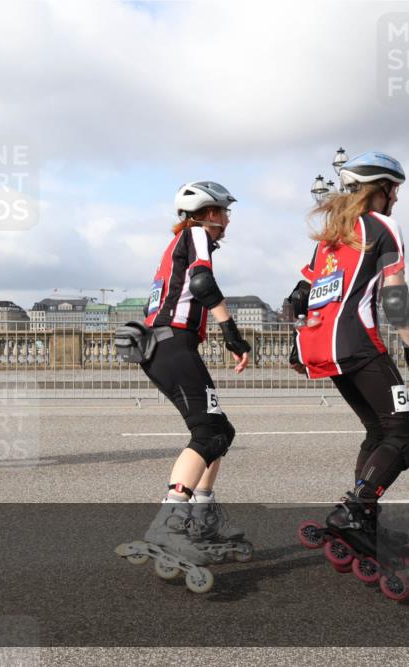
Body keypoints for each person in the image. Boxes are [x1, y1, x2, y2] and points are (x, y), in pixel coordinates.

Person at [288, 152, 409, 540]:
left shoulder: (329, 238)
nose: (396, 197)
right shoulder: (382, 226)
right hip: (358, 343)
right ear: (379, 189)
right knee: (406, 437)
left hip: (321, 347)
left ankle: (362, 517)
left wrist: (297, 345)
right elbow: (394, 294)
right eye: (393, 189)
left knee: (377, 430)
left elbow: (299, 297)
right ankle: (356, 511)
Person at [140, 181, 252, 562]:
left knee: (220, 430)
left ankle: (202, 516)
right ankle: (170, 523)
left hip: (164, 345)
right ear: (209, 213)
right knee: (207, 431)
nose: (227, 220)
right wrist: (232, 334)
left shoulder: (174, 245)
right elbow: (203, 282)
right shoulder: (197, 235)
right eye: (224, 212)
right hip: (172, 343)